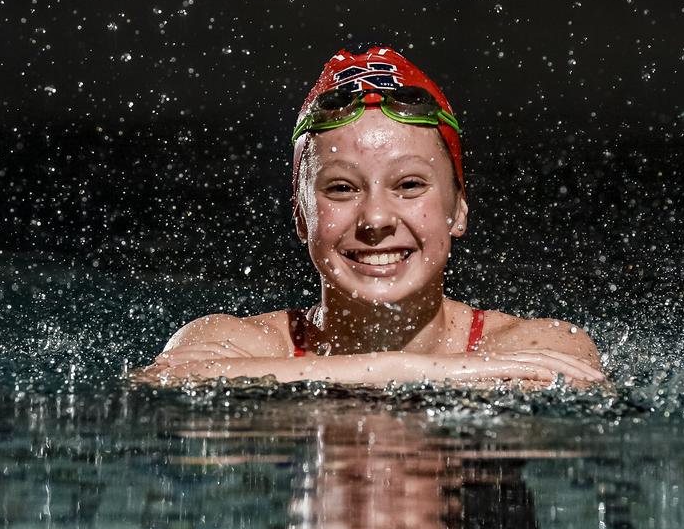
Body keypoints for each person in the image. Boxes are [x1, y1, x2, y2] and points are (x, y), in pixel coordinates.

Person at [136, 46, 605, 387]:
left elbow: (573, 383)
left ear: (458, 208)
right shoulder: (234, 339)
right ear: (302, 217)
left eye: (409, 185)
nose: (376, 217)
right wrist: (398, 369)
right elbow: (163, 382)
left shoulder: (538, 341)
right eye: (341, 188)